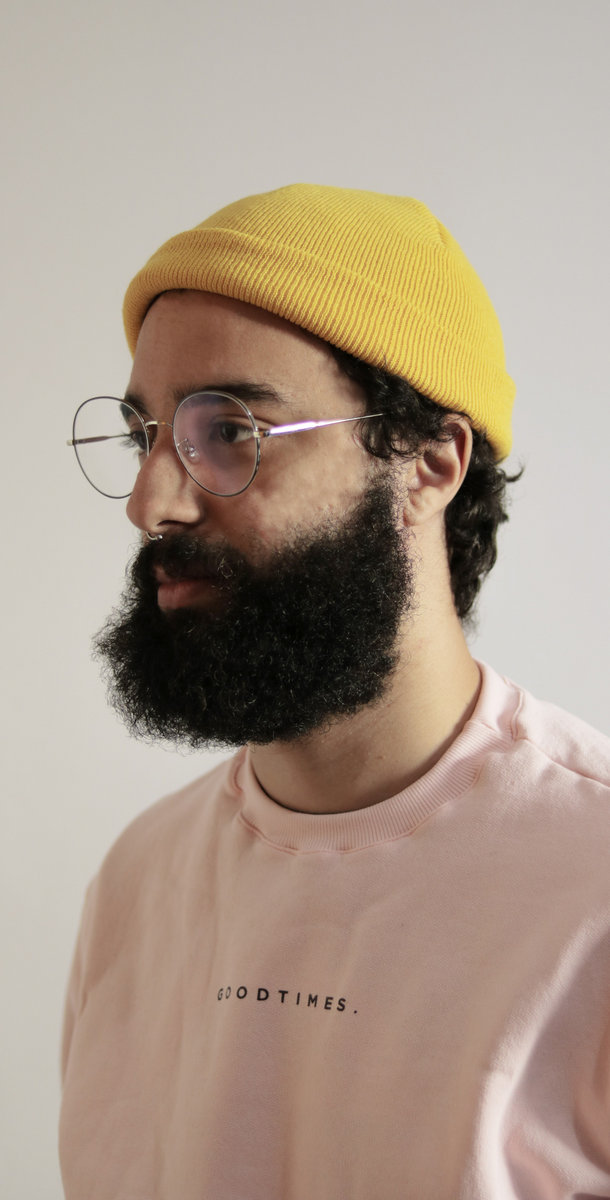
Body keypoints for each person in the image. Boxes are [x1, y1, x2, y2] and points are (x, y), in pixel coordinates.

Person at [60, 184, 610, 1199]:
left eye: (231, 430)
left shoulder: (592, 883)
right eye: (146, 435)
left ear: (430, 460)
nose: (152, 501)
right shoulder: (139, 885)